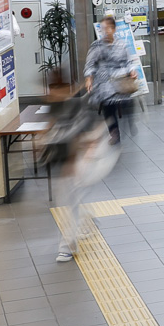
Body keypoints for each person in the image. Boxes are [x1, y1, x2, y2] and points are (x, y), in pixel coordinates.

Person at [46, 93, 119, 263]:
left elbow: (90, 138)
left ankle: (67, 247)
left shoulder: (77, 109)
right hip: (67, 167)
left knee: (71, 204)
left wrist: (83, 159)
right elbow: (53, 133)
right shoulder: (54, 109)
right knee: (70, 203)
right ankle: (85, 224)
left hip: (82, 166)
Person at [82, 14, 139, 141]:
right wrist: (89, 78)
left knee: (128, 101)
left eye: (108, 28)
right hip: (105, 82)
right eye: (103, 29)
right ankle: (114, 132)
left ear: (114, 29)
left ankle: (130, 122)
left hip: (121, 79)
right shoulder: (96, 46)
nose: (105, 31)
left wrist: (132, 70)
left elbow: (129, 61)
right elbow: (90, 64)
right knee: (108, 105)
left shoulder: (122, 44)